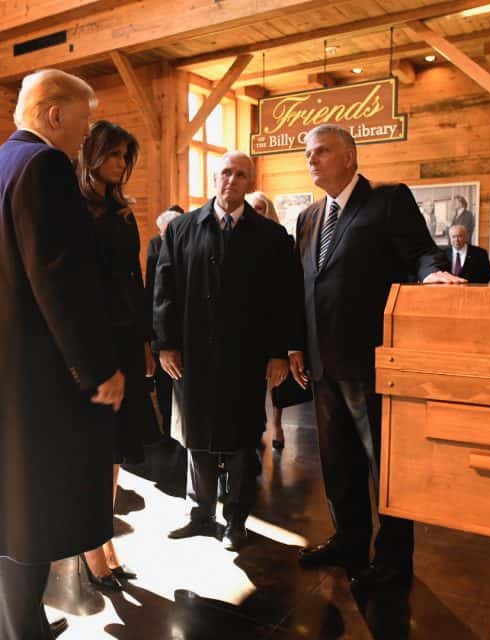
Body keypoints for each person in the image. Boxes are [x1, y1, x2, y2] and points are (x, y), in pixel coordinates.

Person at [0, 68, 124, 640]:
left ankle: (9, 626)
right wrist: (98, 368)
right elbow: (60, 278)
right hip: (35, 378)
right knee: (32, 511)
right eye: (84, 119)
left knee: (9, 513)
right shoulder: (45, 166)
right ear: (55, 115)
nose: (86, 132)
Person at [288, 125, 461, 590]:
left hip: (372, 363)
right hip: (323, 364)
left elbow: (423, 252)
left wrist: (432, 277)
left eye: (321, 151)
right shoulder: (307, 217)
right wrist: (295, 345)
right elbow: (302, 287)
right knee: (337, 463)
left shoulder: (386, 201)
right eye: (308, 153)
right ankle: (349, 541)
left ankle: (393, 560)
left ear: (349, 157)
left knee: (386, 468)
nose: (312, 160)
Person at [156, 151, 295, 551]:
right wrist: (165, 344)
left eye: (240, 174)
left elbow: (282, 301)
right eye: (225, 173)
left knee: (240, 438)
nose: (231, 180)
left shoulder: (270, 237)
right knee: (196, 434)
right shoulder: (181, 229)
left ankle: (236, 517)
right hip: (193, 355)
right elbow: (164, 292)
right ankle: (199, 512)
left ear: (249, 182)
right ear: (213, 178)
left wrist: (278, 353)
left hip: (245, 357)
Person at [78, 119, 157, 588]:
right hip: (94, 339)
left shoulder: (122, 210)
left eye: (126, 157)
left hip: (126, 339)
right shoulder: (77, 209)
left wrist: (145, 342)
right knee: (94, 447)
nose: (121, 164)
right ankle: (92, 543)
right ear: (93, 155)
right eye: (113, 154)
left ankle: (103, 537)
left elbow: (134, 279)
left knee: (113, 452)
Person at [245, 190, 308, 450]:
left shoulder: (281, 239)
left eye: (260, 208)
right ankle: (255, 425)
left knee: (277, 382)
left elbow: (290, 288)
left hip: (274, 321)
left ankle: (278, 424)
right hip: (250, 324)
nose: (256, 213)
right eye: (252, 208)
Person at [146, 205, 182, 436]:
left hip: (185, 319)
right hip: (161, 319)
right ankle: (168, 425)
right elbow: (152, 287)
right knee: (165, 378)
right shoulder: (155, 245)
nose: (164, 236)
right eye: (161, 232)